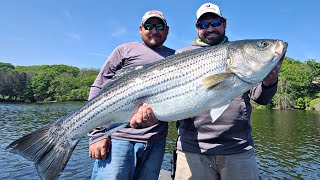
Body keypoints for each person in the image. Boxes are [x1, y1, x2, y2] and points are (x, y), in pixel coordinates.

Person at [131, 2, 285, 180]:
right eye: (203, 25)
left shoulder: (242, 58)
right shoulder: (181, 54)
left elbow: (262, 99)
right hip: (193, 150)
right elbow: (167, 99)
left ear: (224, 24)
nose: (210, 28)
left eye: (215, 23)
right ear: (197, 28)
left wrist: (270, 79)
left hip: (238, 149)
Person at [87, 10, 175, 180]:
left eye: (160, 26)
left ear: (167, 30)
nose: (154, 30)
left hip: (156, 143)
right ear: (141, 29)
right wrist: (97, 135)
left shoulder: (176, 56)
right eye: (149, 26)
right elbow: (99, 87)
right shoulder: (125, 50)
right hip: (120, 139)